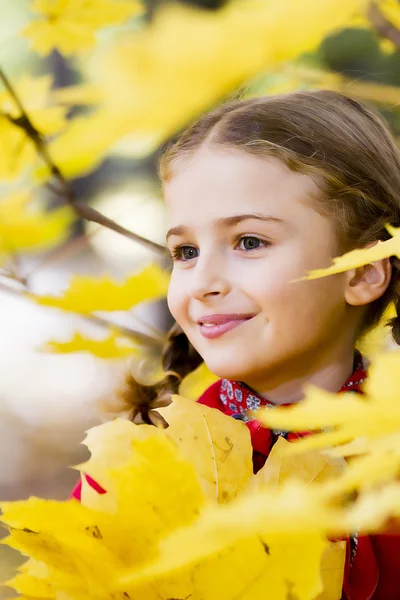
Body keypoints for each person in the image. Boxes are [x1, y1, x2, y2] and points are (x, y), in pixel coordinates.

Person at [71, 90, 400, 600]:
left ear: (360, 273)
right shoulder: (139, 470)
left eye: (249, 242)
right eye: (184, 251)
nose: (202, 281)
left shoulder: (390, 462)